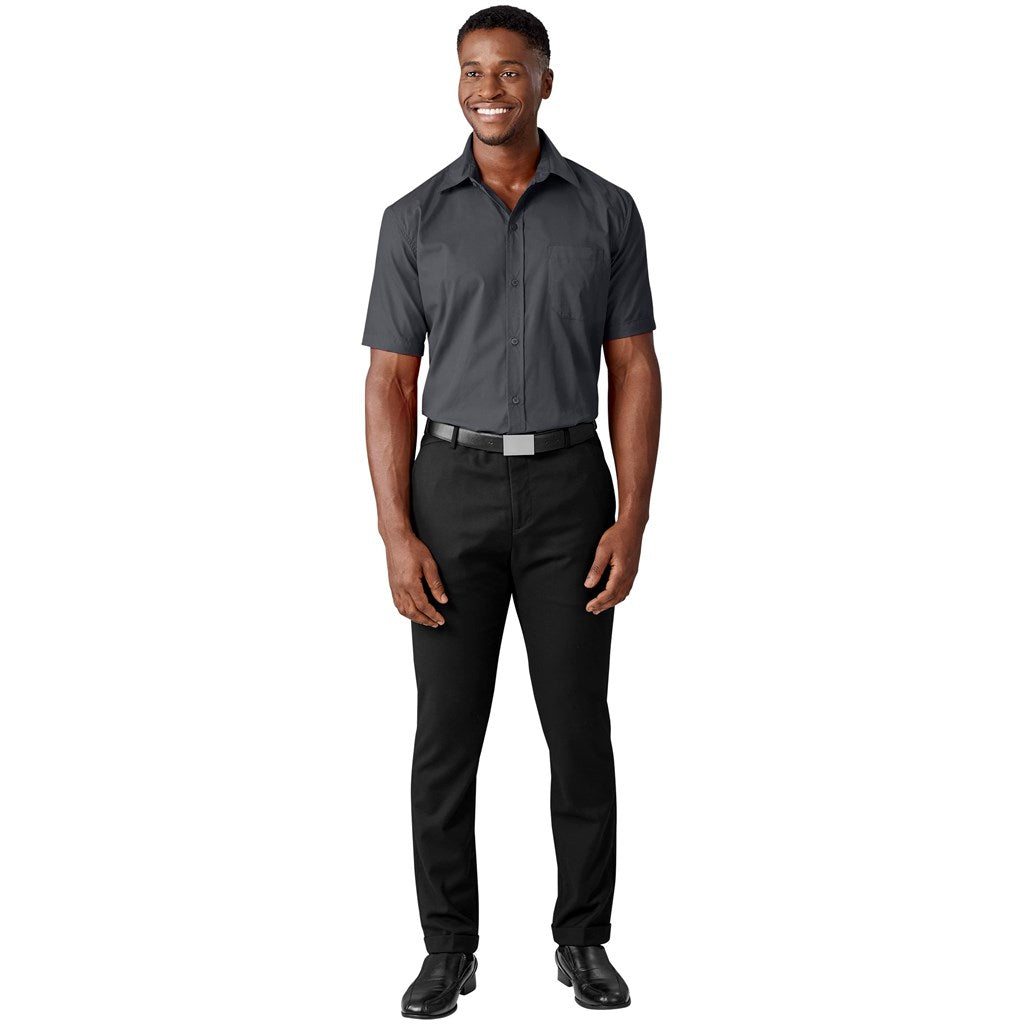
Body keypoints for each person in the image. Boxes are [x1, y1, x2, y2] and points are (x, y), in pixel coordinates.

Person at [361, 5, 661, 1016]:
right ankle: (448, 948)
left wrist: (633, 515)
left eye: (508, 70)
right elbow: (389, 381)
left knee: (578, 729)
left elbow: (633, 366)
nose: (487, 89)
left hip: (572, 491)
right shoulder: (412, 219)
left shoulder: (608, 211)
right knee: (446, 736)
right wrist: (396, 532)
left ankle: (584, 939)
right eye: (471, 71)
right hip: (449, 491)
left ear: (545, 80)